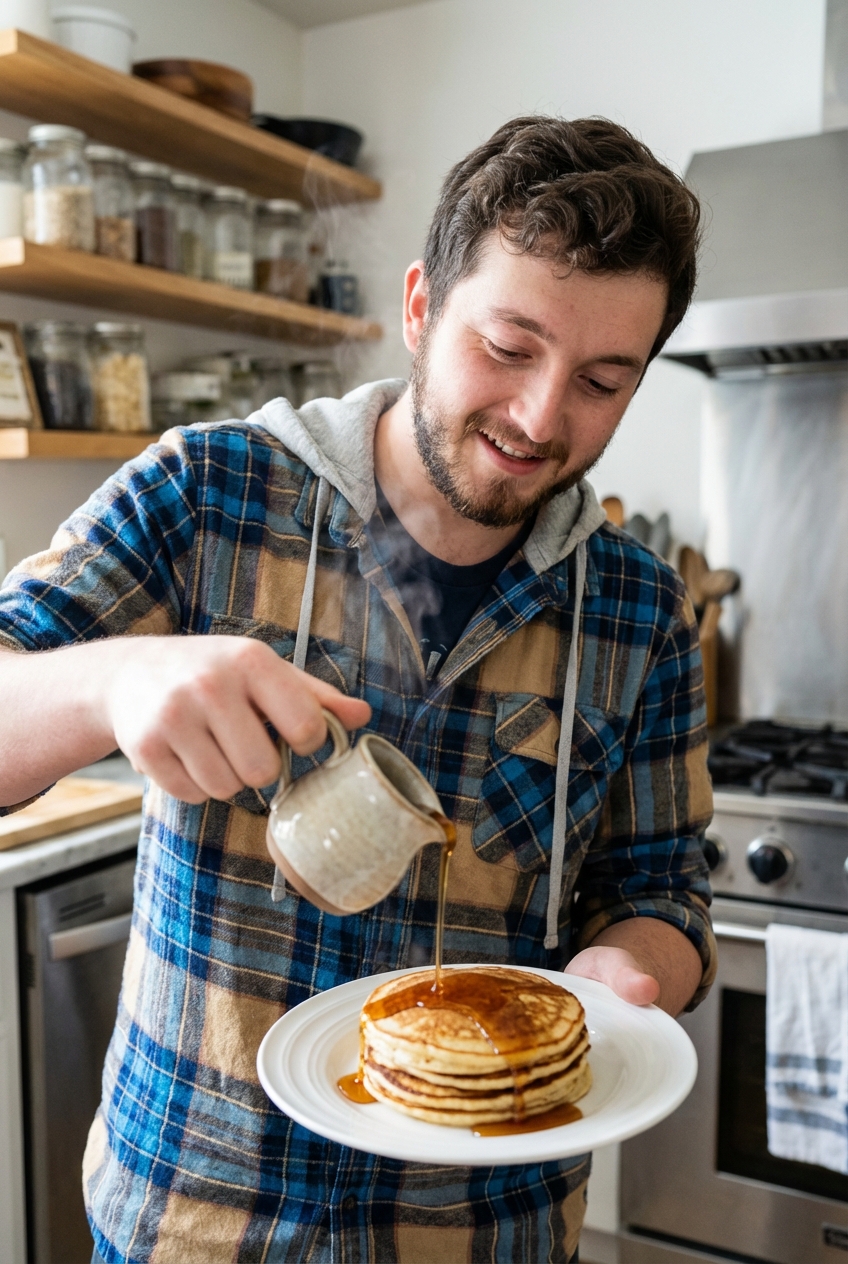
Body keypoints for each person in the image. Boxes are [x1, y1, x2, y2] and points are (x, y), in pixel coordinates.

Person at [0, 116, 714, 1264]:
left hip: (484, 1232)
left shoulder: (636, 610)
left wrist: (631, 969)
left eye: (599, 379)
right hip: (195, 1221)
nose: (539, 419)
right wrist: (117, 680)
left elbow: (663, 887)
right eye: (508, 345)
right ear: (422, 308)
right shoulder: (207, 495)